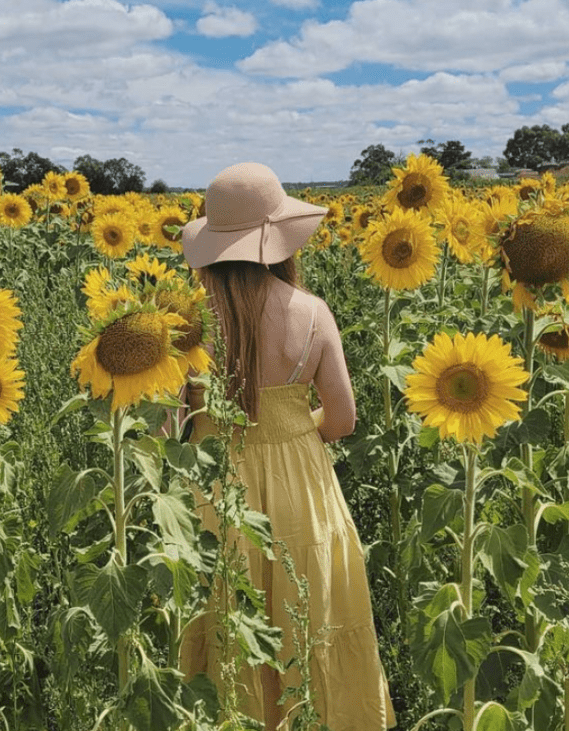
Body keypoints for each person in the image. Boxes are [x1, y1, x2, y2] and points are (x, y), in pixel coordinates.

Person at [179, 162, 394, 731]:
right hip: (304, 490)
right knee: (311, 622)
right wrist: (293, 431)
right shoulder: (311, 312)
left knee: (224, 631)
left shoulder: (189, 323)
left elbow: (163, 432)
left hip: (214, 494)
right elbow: (343, 419)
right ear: (278, 240)